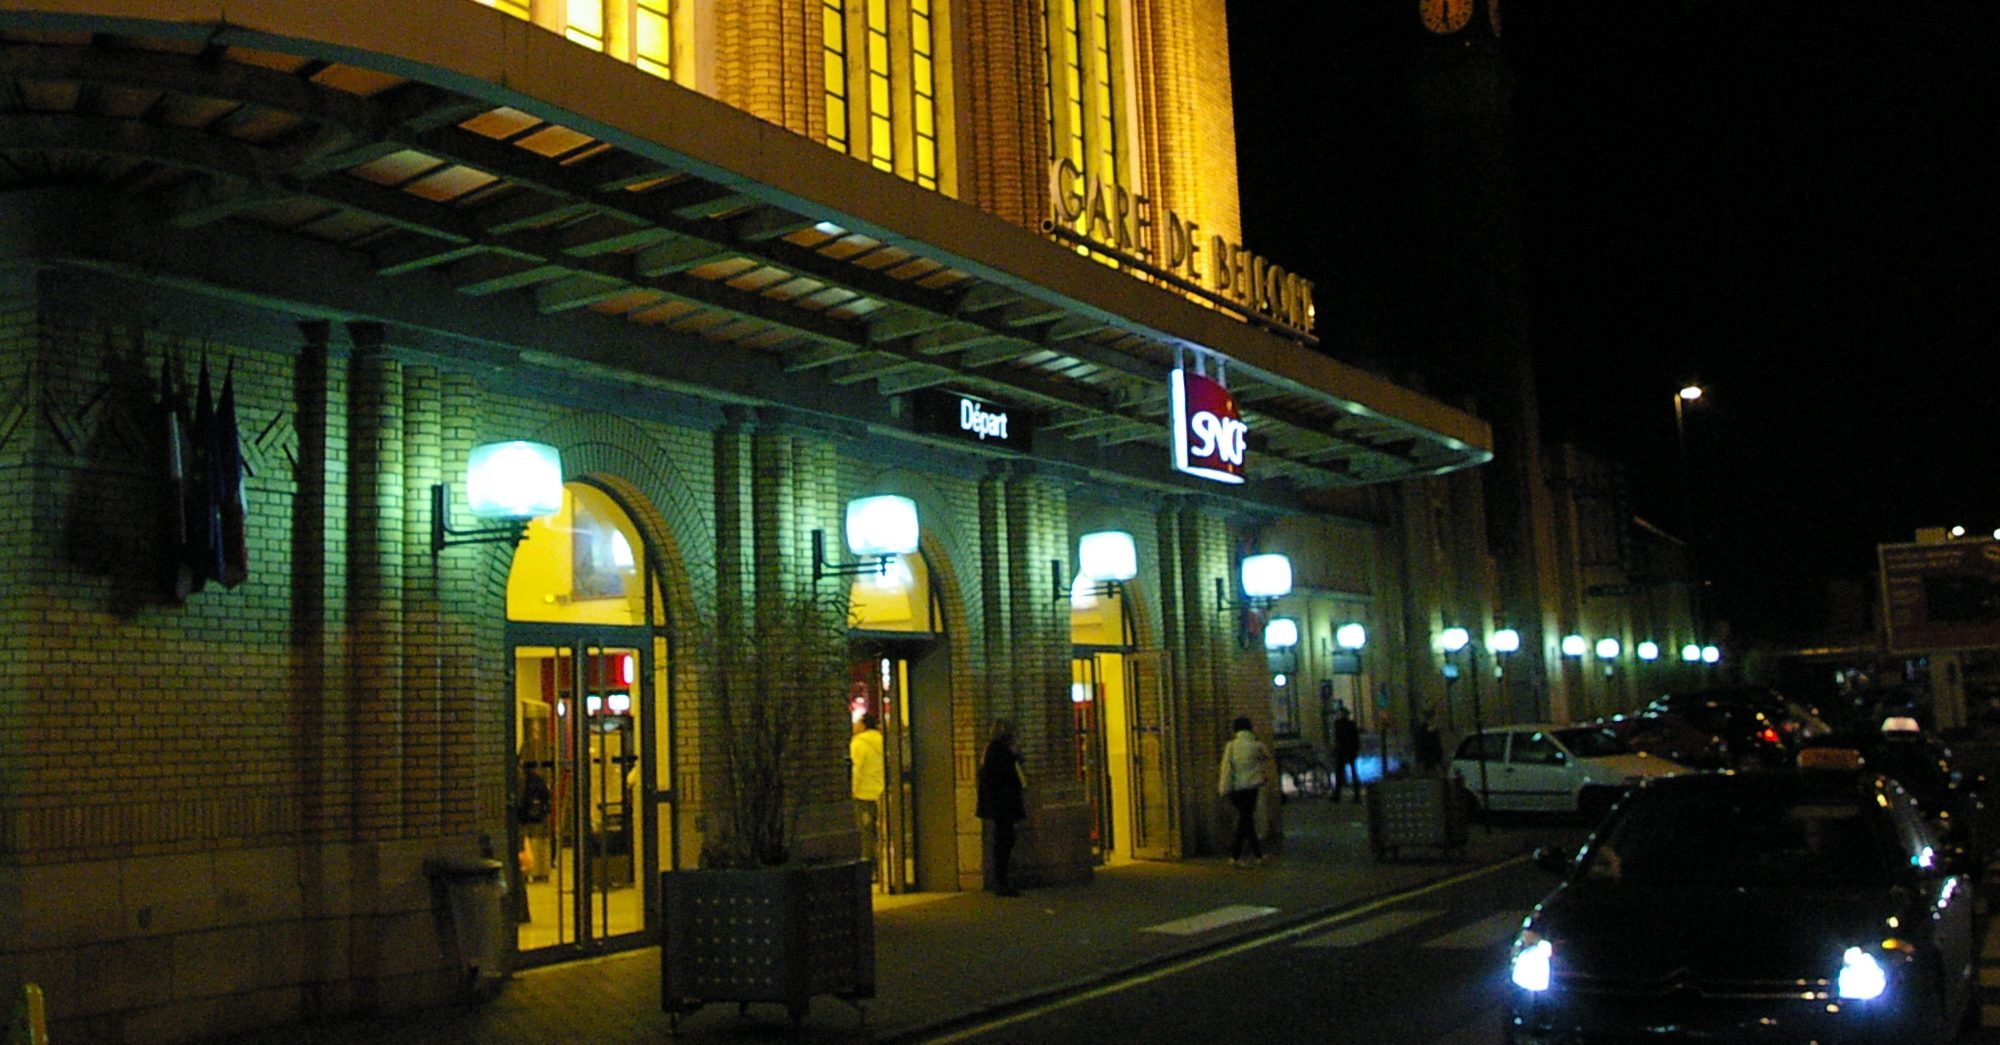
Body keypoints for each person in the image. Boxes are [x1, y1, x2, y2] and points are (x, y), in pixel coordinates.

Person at [976, 718, 1027, 896]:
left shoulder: (991, 750)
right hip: (1003, 804)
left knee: (1003, 840)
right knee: (1004, 841)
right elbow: (1007, 774)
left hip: (999, 804)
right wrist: (1016, 755)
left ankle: (1003, 880)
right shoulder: (999, 751)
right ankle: (1002, 882)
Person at [1216, 715, 1270, 867]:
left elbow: (1226, 768)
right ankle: (1238, 855)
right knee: (1245, 820)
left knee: (1245, 820)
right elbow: (1266, 755)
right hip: (1252, 788)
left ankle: (1252, 854)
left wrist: (1223, 788)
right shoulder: (1255, 745)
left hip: (1236, 789)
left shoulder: (1231, 746)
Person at [850, 712, 885, 867]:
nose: (854, 725)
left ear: (864, 725)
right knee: (880, 833)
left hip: (863, 794)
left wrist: (853, 790)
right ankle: (881, 865)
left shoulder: (859, 743)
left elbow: (856, 769)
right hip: (880, 791)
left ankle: (868, 867)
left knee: (866, 833)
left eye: (857, 722)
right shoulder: (882, 740)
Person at [1331, 703, 1361, 803]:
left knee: (1339, 772)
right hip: (1350, 750)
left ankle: (1337, 795)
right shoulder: (1351, 724)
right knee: (1353, 772)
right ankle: (1356, 795)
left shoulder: (1338, 724)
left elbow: (1337, 738)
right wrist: (1356, 750)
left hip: (1342, 750)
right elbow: (1356, 738)